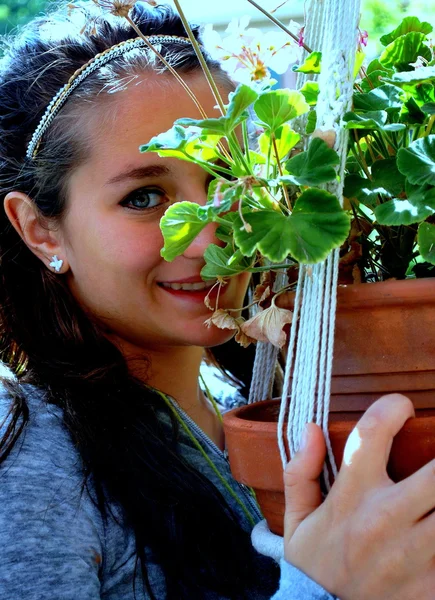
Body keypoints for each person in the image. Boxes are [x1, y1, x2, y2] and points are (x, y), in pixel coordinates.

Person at [1, 2, 435, 599]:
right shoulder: (30, 456)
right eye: (145, 197)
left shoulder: (262, 403)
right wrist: (324, 588)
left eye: (228, 180)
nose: (210, 237)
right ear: (41, 230)